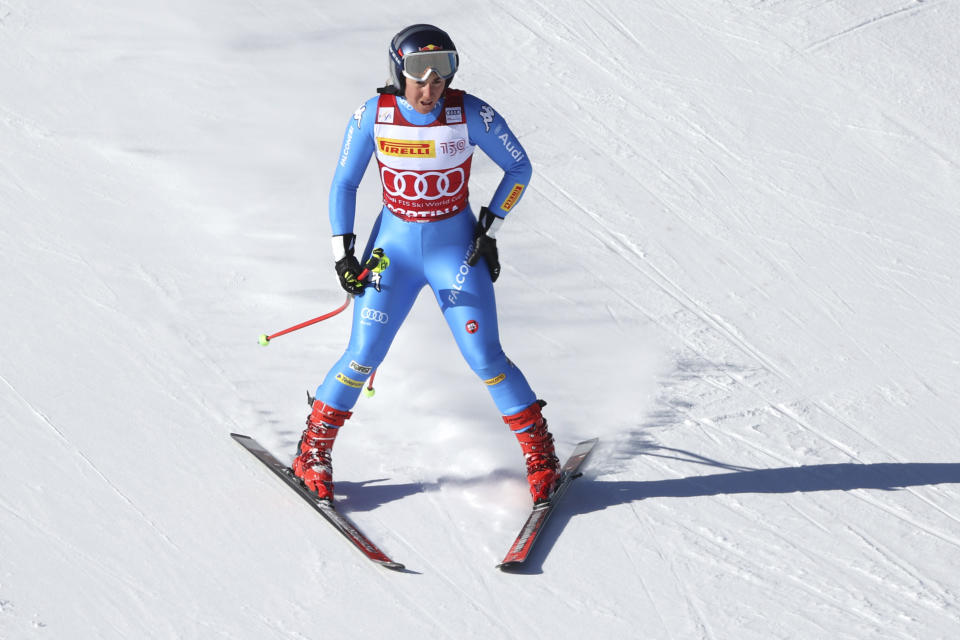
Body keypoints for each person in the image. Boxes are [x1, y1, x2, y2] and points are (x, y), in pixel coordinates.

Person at [292, 24, 560, 505]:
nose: (430, 86)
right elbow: (344, 184)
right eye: (418, 73)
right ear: (397, 70)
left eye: (442, 74)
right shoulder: (374, 114)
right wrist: (343, 254)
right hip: (393, 250)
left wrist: (490, 226)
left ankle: (541, 457)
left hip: (454, 250)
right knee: (363, 354)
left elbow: (520, 168)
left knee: (485, 357)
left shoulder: (469, 112)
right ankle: (312, 450)